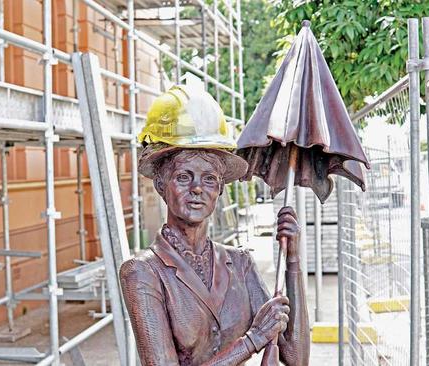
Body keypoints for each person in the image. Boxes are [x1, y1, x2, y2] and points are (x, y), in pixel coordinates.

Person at [119, 85, 309, 366]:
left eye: (209, 179)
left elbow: (296, 357)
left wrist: (293, 261)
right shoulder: (143, 272)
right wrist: (253, 340)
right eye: (184, 176)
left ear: (220, 189)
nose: (197, 188)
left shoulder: (240, 264)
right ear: (161, 184)